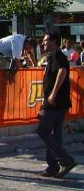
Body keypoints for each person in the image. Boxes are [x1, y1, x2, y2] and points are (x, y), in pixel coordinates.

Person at [37, 33, 77, 179]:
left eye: (46, 40)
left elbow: (62, 71)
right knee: (55, 133)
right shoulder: (55, 56)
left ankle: (65, 160)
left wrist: (53, 94)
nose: (43, 43)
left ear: (54, 41)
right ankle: (53, 167)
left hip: (55, 103)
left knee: (43, 131)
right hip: (61, 102)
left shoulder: (57, 55)